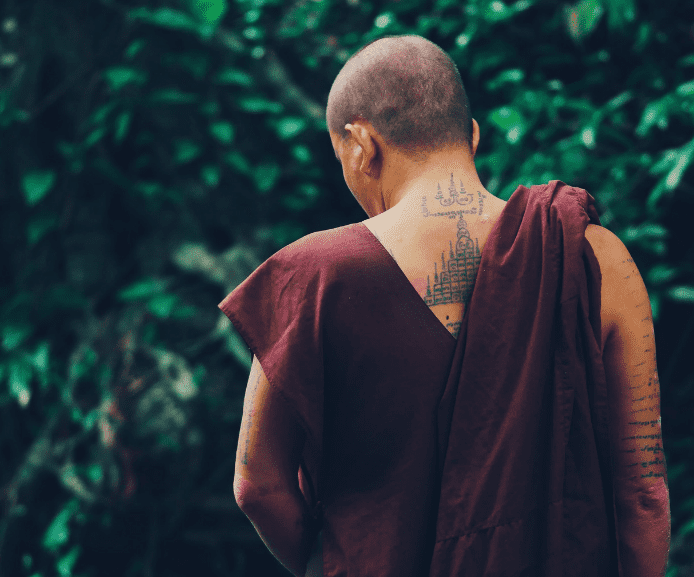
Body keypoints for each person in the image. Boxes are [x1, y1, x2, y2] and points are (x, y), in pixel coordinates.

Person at [219, 34, 670, 577]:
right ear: (472, 136)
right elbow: (643, 494)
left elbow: (257, 486)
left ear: (361, 144)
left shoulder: (311, 278)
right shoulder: (593, 256)